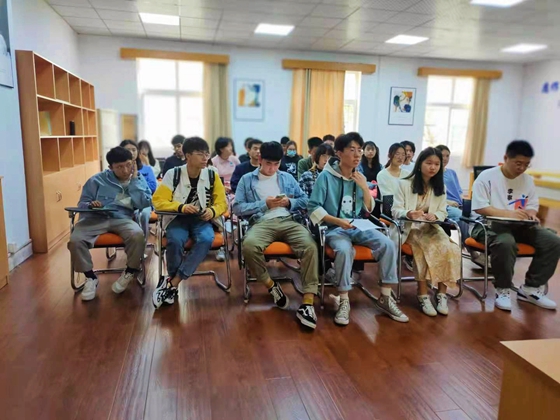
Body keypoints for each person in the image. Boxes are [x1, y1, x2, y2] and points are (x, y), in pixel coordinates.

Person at [308, 132, 409, 325]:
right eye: (352, 150)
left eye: (359, 150)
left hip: (358, 225)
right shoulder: (325, 177)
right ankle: (343, 299)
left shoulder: (359, 177)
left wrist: (364, 188)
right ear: (339, 153)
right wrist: (338, 221)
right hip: (334, 228)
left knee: (388, 244)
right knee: (344, 250)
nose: (357, 155)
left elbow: (369, 209)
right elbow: (313, 208)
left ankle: (385, 297)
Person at [233, 141, 320, 330]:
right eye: (268, 164)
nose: (272, 168)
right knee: (249, 246)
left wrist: (290, 202)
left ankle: (307, 302)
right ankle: (271, 285)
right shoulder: (247, 180)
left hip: (289, 220)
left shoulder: (287, 177)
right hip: (262, 222)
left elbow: (305, 200)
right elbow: (237, 208)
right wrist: (264, 204)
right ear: (260, 159)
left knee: (310, 246)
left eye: (276, 164)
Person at [471, 140, 560, 311]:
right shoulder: (487, 177)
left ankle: (531, 289)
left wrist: (531, 214)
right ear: (506, 158)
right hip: (490, 225)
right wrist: (508, 214)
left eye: (526, 164)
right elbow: (480, 207)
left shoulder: (528, 180)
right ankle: (503, 289)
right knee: (506, 242)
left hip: (521, 226)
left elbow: (532, 205)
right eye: (518, 163)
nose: (522, 168)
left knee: (553, 241)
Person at [151, 137, 228, 309]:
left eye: (207, 154)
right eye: (200, 154)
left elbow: (222, 203)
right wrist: (180, 207)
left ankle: (172, 283)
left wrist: (212, 211)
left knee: (206, 239)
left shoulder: (212, 174)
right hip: (178, 218)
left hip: (202, 219)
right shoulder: (173, 174)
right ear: (187, 156)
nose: (205, 158)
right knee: (175, 240)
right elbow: (158, 201)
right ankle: (172, 286)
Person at [68, 147, 151, 301]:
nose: (125, 170)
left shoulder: (138, 179)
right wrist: (91, 205)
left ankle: (130, 271)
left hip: (122, 218)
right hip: (95, 219)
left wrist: (134, 180)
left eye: (128, 165)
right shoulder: (96, 180)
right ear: (110, 167)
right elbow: (82, 203)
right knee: (75, 240)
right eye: (119, 167)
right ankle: (90, 277)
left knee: (137, 235)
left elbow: (143, 203)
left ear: (133, 163)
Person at [392, 147, 461, 317]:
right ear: (419, 164)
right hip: (410, 228)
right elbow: (395, 210)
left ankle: (442, 293)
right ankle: (422, 294)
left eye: (437, 164)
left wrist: (435, 215)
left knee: (451, 248)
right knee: (423, 250)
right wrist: (409, 213)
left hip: (430, 227)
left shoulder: (440, 186)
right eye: (429, 163)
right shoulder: (404, 184)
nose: (433, 167)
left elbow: (443, 212)